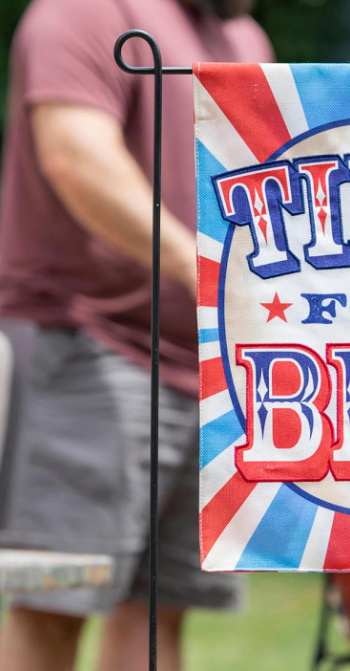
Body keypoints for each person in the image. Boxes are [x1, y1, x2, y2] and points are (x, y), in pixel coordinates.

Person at [0, 0, 273, 669]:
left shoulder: (244, 36)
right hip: (88, 344)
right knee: (55, 599)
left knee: (162, 612)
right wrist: (203, 270)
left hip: (214, 367)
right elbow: (77, 158)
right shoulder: (86, 11)